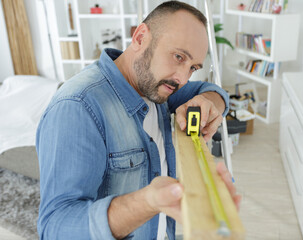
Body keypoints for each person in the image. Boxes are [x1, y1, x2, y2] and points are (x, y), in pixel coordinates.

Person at [36, 1, 241, 239]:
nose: (183, 79)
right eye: (178, 57)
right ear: (141, 37)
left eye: (193, 67)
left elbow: (211, 90)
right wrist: (148, 202)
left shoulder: (158, 87)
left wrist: (210, 102)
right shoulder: (78, 107)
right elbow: (55, 228)